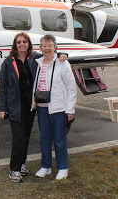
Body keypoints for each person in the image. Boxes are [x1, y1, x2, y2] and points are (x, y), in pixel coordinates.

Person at [0, 32, 67, 183]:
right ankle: (14, 169)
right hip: (15, 107)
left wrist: (62, 54)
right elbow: (3, 86)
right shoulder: (8, 62)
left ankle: (21, 165)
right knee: (18, 138)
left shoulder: (34, 58)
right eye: (19, 42)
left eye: (24, 42)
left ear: (29, 44)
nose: (22, 44)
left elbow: (50, 54)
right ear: (15, 45)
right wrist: (1, 108)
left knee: (26, 137)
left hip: (30, 107)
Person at [33, 34, 77, 180]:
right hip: (42, 107)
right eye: (44, 46)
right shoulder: (37, 62)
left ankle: (63, 168)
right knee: (44, 139)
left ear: (55, 47)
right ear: (40, 48)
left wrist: (70, 110)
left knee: (59, 140)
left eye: (50, 45)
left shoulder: (62, 63)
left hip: (58, 108)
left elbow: (71, 88)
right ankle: (46, 166)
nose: (47, 48)